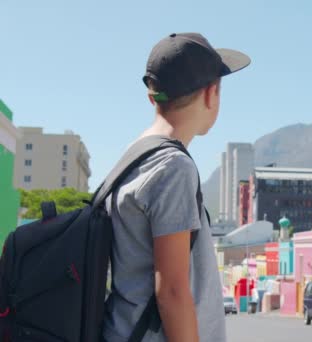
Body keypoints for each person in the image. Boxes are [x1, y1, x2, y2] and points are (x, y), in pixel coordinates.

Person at [103, 33, 250, 342]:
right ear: (211, 94)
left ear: (151, 98)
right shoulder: (173, 168)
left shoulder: (134, 157)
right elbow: (171, 290)